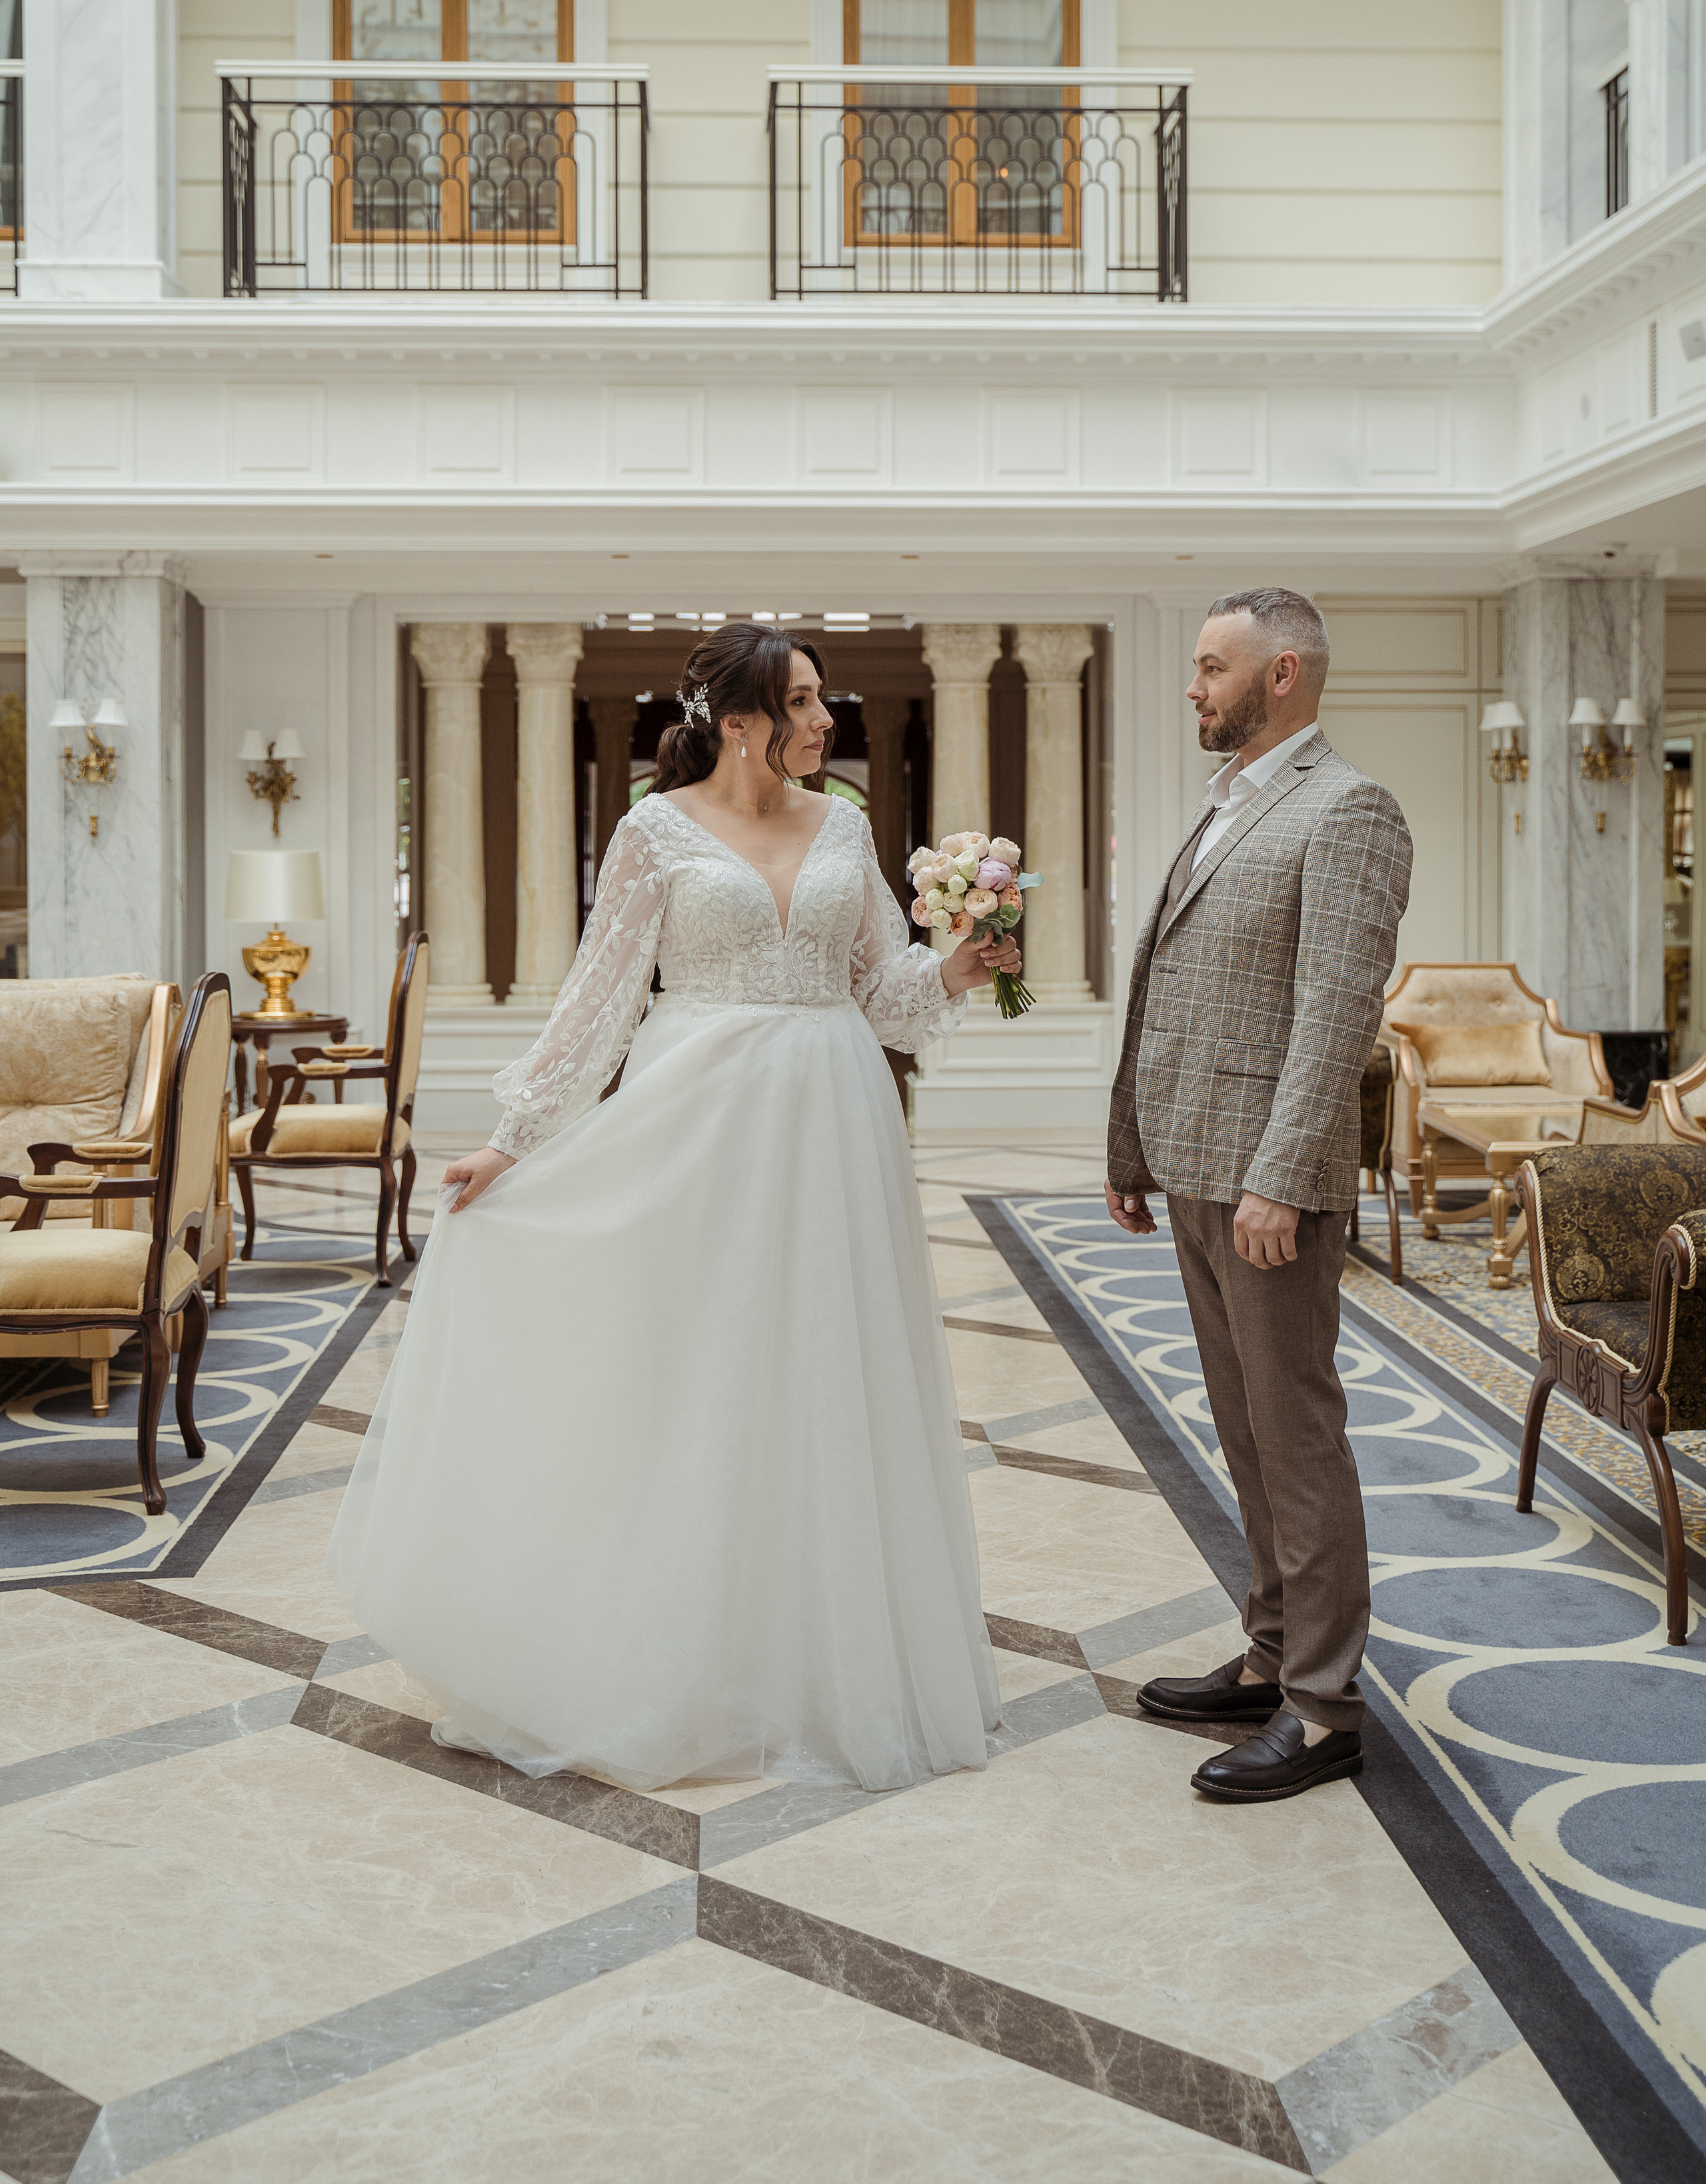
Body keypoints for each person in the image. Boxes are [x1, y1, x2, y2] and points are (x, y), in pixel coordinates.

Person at [328, 622, 1018, 1794]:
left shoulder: (844, 822)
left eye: (824, 698)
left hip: (837, 1119)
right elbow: (596, 999)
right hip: (698, 1115)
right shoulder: (655, 834)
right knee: (701, 1369)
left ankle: (822, 1657)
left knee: (826, 1370)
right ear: (738, 720)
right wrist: (514, 1139)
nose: (825, 719)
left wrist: (963, 961)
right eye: (801, 703)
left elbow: (882, 993)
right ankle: (675, 1654)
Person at [1104, 587, 1411, 1803]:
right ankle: (1274, 1654)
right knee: (1245, 1433)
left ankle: (1326, 1707)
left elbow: (1336, 1014)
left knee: (1296, 1436)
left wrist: (1281, 1178)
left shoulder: (1350, 809)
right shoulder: (1229, 806)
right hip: (1196, 1162)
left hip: (1266, 1182)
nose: (1194, 685)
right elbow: (1173, 989)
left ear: (1282, 674)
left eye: (1211, 666)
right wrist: (1136, 1148)